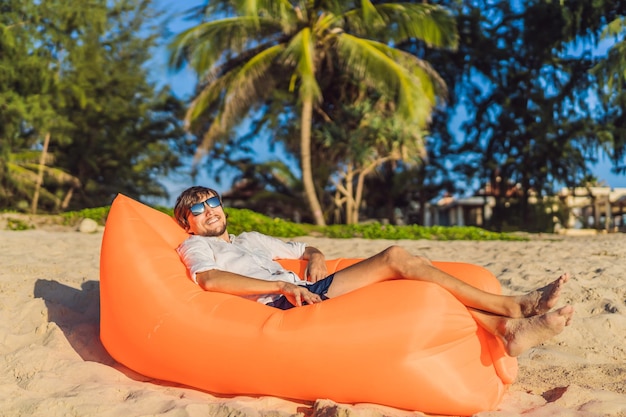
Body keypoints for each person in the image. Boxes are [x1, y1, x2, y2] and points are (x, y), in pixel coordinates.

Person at [174, 186, 574, 357]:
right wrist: (280, 282)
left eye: (213, 202)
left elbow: (306, 247)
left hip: (308, 288)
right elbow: (209, 280)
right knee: (397, 256)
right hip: (284, 303)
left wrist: (314, 256)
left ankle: (505, 330)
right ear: (186, 221)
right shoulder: (196, 245)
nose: (208, 211)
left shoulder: (251, 239)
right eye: (196, 209)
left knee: (418, 274)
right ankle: (514, 308)